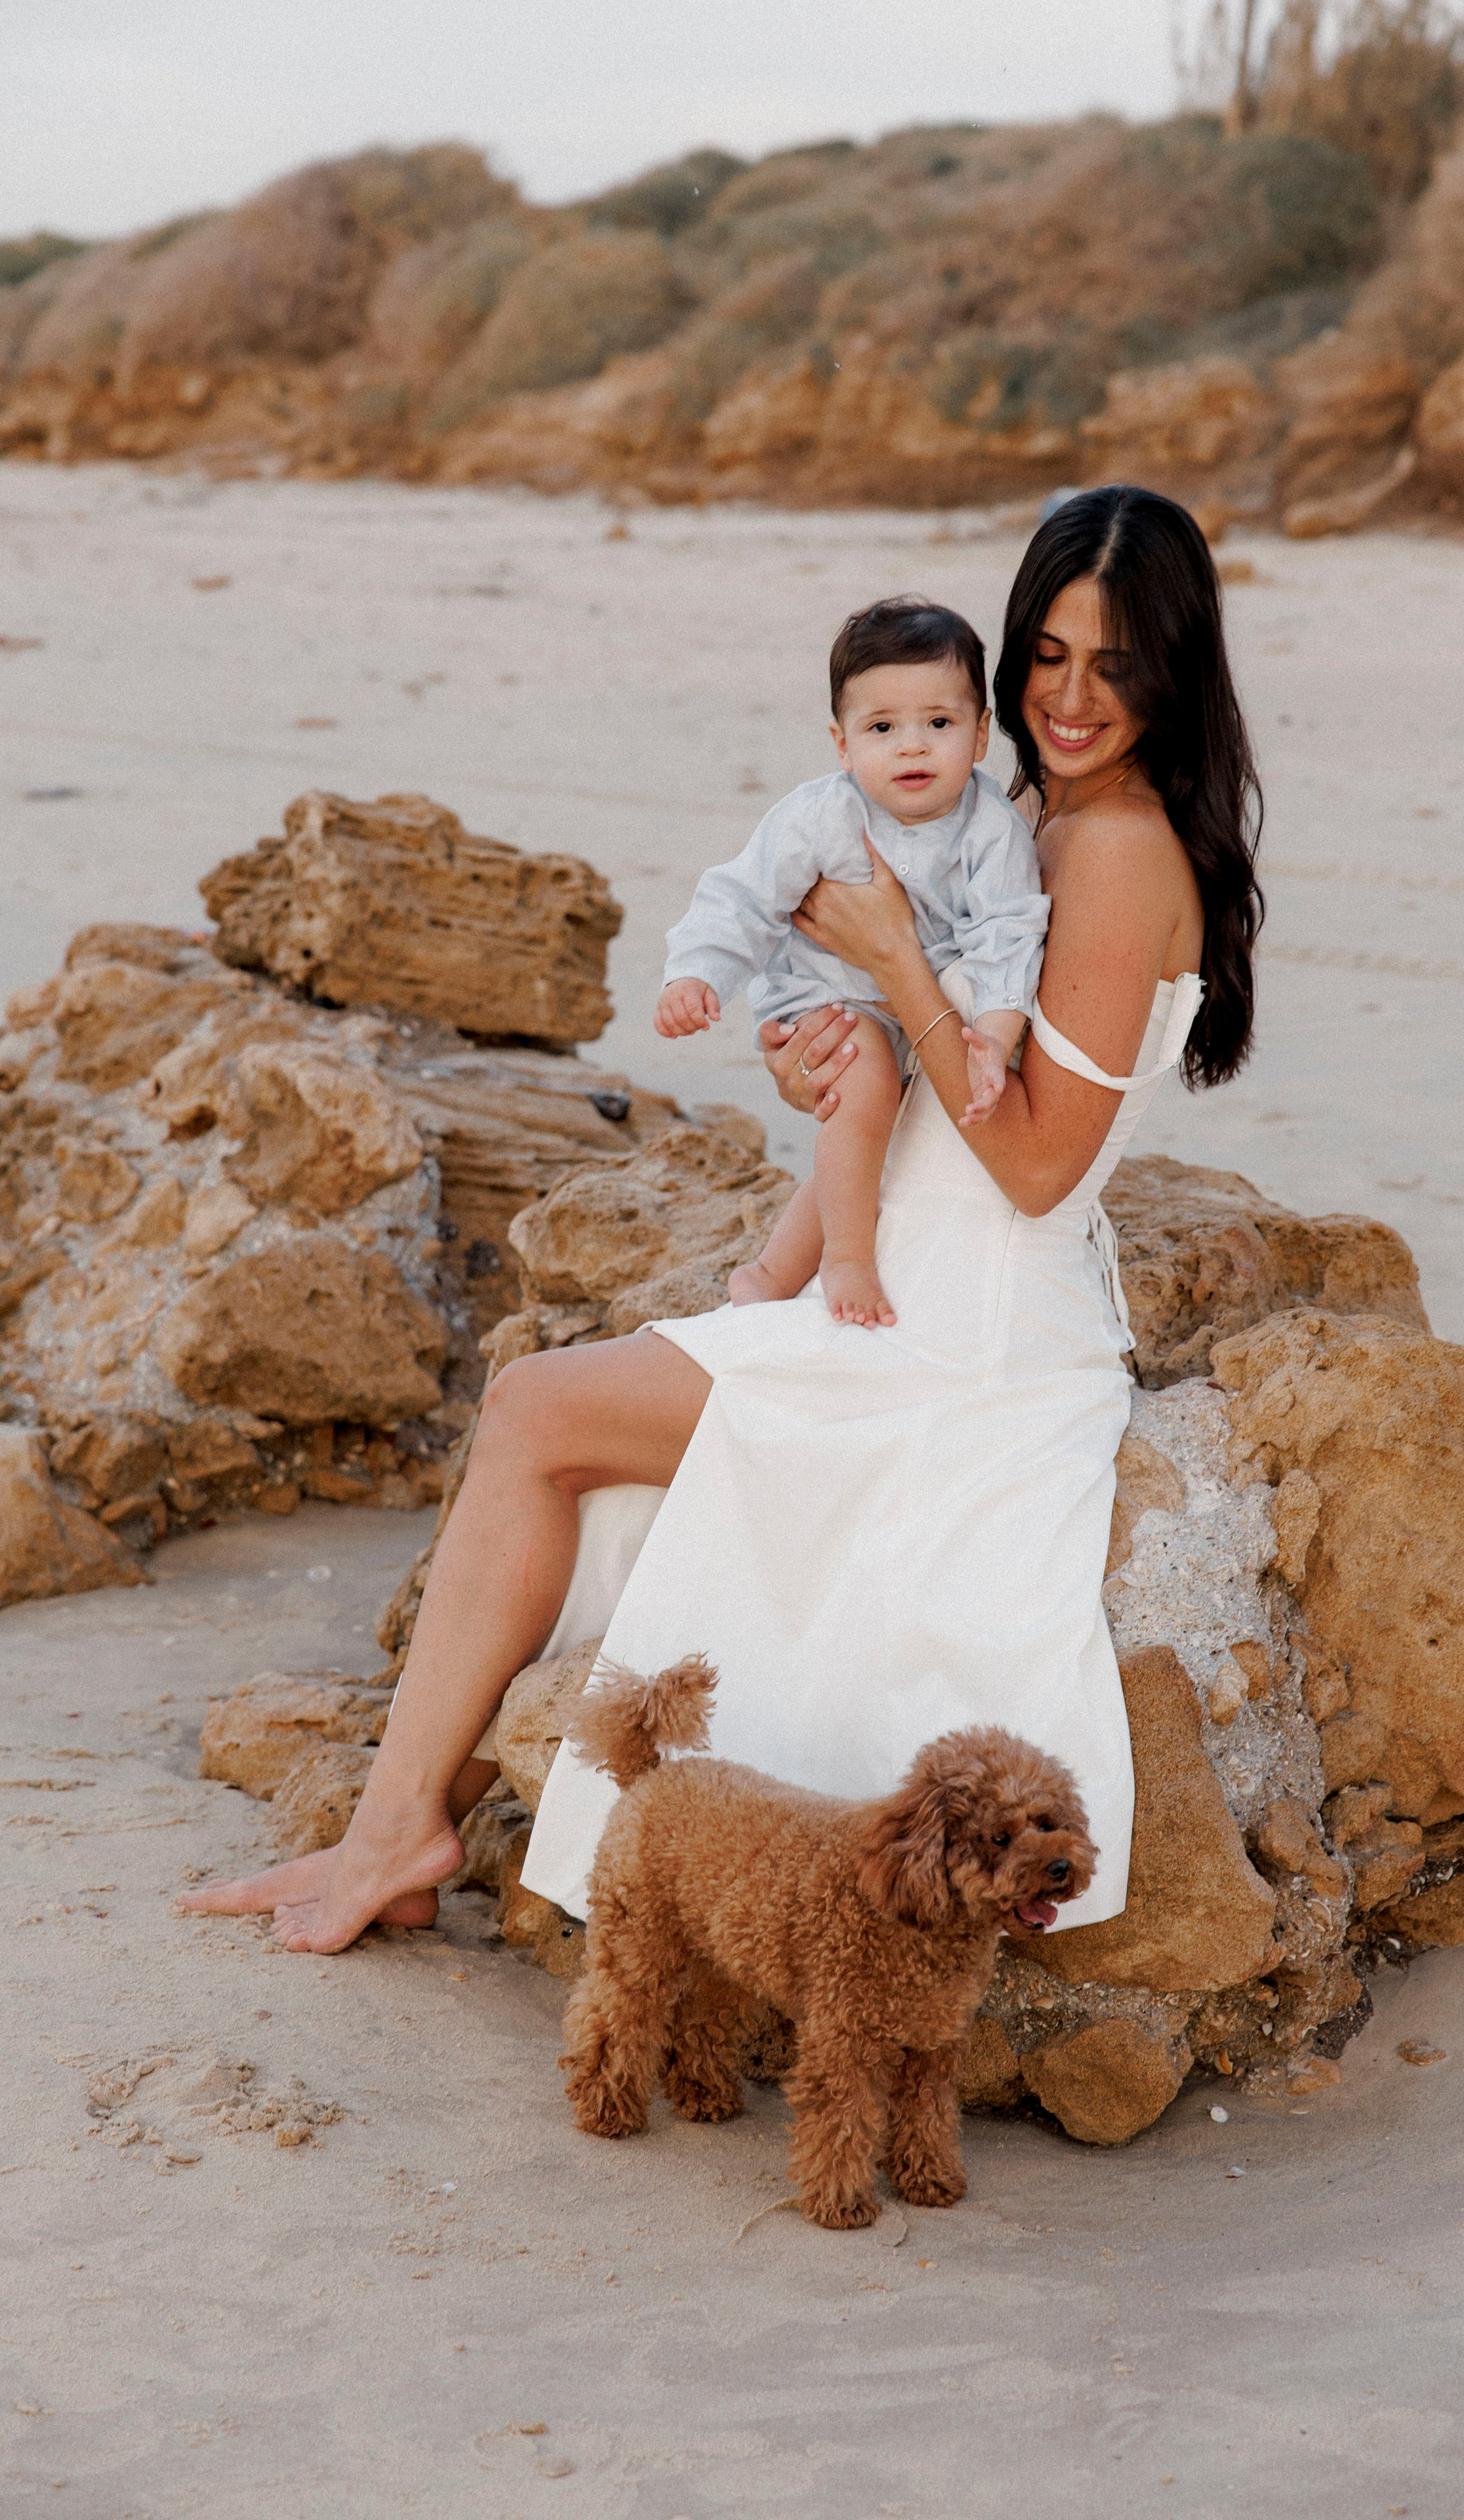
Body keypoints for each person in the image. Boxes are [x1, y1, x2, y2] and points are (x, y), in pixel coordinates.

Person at [181, 483, 1262, 1957]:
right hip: (886, 1279)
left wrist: (895, 958)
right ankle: (401, 1826)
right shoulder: (1021, 815)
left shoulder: (1121, 848)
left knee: (536, 1409)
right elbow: (918, 1062)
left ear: (1174, 670)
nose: (1070, 700)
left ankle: (394, 1833)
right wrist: (823, 1045)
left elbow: (1035, 1170)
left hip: (969, 1338)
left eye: (1115, 665)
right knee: (561, 1439)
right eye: (1048, 657)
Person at [656, 594, 1049, 1327]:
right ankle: (846, 1259)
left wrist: (995, 1039)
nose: (912, 747)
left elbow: (1010, 934)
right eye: (882, 728)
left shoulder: (992, 831)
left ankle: (768, 1273)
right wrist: (698, 973)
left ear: (981, 733)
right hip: (824, 992)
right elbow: (744, 896)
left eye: (939, 723)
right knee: (865, 1091)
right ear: (842, 744)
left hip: (918, 1009)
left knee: (865, 1132)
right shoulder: (820, 815)